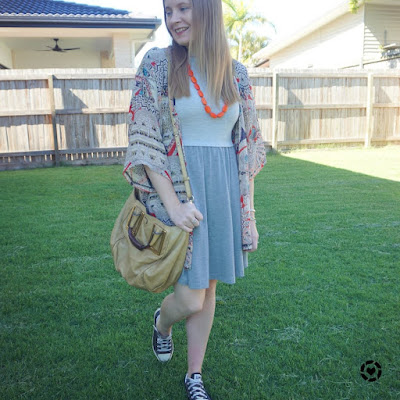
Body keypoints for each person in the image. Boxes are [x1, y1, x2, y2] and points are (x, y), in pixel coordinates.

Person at [123, 0, 266, 398]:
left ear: (208, 10)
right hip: (183, 193)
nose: (174, 19)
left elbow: (247, 149)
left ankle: (194, 374)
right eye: (169, 11)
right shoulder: (158, 64)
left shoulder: (236, 73)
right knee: (188, 297)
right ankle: (162, 323)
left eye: (184, 8)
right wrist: (173, 206)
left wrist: (248, 214)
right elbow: (145, 138)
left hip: (222, 193)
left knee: (209, 290)